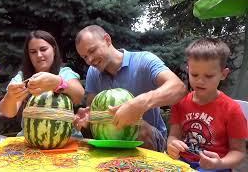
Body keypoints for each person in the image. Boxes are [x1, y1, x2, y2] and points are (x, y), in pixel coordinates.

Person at [74, 25, 186, 152]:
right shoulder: (93, 72)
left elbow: (179, 88)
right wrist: (87, 118)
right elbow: (94, 112)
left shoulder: (144, 60)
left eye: (92, 51)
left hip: (150, 139)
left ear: (107, 40)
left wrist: (138, 104)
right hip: (111, 141)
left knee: (139, 126)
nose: (90, 60)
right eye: (84, 57)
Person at [167, 38, 248, 171]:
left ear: (223, 74)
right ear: (188, 70)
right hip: (182, 162)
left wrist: (219, 163)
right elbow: (173, 136)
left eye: (209, 76)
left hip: (215, 167)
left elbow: (239, 153)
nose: (200, 81)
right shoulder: (180, 102)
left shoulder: (232, 109)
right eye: (194, 74)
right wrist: (172, 144)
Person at [0, 30, 84, 136]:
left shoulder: (64, 73)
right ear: (28, 55)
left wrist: (58, 82)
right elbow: (7, 112)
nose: (39, 55)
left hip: (66, 139)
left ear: (53, 49)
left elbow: (79, 94)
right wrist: (11, 96)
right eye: (33, 52)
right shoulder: (22, 77)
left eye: (43, 49)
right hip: (30, 140)